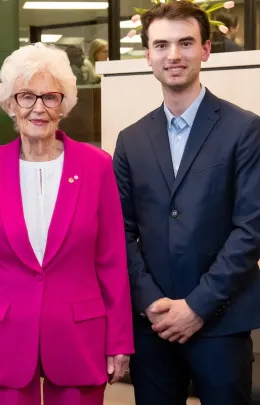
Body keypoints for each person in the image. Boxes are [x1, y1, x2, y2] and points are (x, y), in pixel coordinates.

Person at [0, 42, 134, 405]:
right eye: (26, 96)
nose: (38, 108)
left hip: (79, 333)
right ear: (8, 103)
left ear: (63, 104)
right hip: (2, 333)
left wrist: (119, 341)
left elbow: (111, 261)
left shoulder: (96, 166)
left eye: (50, 97)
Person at [113, 2, 260, 405]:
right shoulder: (131, 140)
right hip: (153, 323)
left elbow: (251, 229)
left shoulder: (245, 129)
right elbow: (119, 230)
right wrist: (149, 301)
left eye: (185, 43)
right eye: (161, 44)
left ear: (206, 50)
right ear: (147, 55)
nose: (173, 55)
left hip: (221, 322)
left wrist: (197, 306)